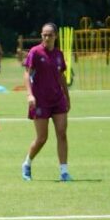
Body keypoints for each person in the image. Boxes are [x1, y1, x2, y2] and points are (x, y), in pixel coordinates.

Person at [21, 22, 72, 182]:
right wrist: (30, 95)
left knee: (62, 133)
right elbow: (26, 74)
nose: (47, 37)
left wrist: (67, 96)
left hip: (57, 100)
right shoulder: (35, 52)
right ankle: (27, 163)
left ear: (55, 36)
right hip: (40, 101)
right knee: (42, 138)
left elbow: (61, 76)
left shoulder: (58, 54)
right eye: (44, 34)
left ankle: (64, 171)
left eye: (50, 34)